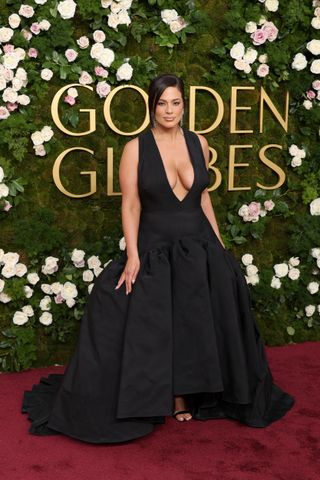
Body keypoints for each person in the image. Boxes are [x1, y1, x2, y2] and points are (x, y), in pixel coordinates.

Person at [21, 73, 295, 444]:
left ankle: (195, 394)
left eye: (176, 102)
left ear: (184, 104)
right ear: (152, 106)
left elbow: (203, 198)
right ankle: (167, 394)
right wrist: (133, 255)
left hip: (198, 243)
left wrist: (219, 248)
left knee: (201, 313)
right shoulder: (136, 147)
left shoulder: (199, 142)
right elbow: (131, 204)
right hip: (156, 246)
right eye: (162, 103)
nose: (169, 110)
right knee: (138, 307)